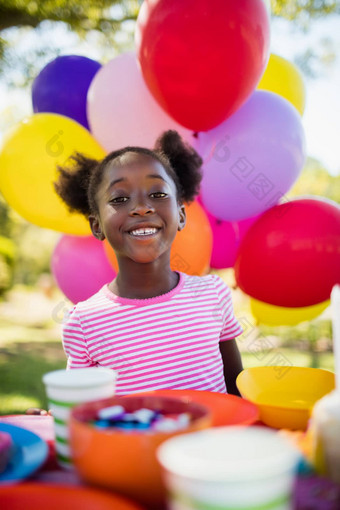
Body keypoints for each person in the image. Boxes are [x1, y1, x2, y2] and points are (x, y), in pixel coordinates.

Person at [53, 130, 243, 396]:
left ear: (180, 214)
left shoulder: (212, 294)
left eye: (157, 194)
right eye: (119, 198)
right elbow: (80, 408)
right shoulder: (84, 322)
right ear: (97, 226)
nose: (142, 208)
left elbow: (236, 388)